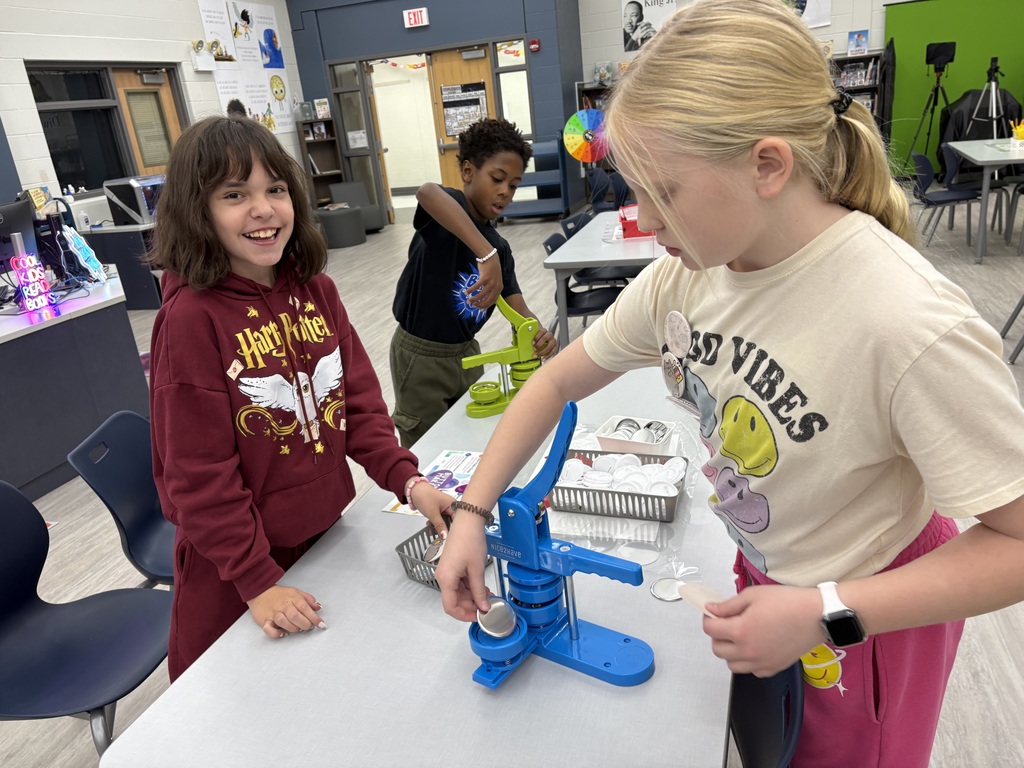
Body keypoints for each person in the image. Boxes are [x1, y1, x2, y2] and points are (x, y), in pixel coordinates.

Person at [436, 1, 1024, 765]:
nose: (641, 220)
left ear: (768, 166)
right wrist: (474, 510)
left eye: (662, 192)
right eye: (632, 188)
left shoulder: (905, 321)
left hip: (869, 615)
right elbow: (554, 385)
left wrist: (826, 612)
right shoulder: (686, 278)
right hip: (773, 580)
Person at [147, 115, 454, 681]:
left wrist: (409, 482)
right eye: (234, 195)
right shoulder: (191, 318)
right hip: (234, 571)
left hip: (323, 536)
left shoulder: (318, 290)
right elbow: (198, 476)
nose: (262, 209)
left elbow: (357, 405)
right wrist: (257, 580)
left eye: (275, 190)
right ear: (197, 211)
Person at [390, 117, 558, 448]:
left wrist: (538, 333)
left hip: (466, 352)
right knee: (424, 446)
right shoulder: (446, 219)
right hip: (421, 357)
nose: (504, 191)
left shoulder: (500, 247)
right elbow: (427, 193)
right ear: (468, 171)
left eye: (513, 185)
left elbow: (517, 306)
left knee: (468, 434)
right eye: (497, 179)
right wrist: (484, 253)